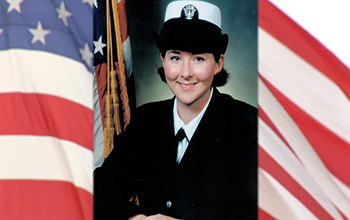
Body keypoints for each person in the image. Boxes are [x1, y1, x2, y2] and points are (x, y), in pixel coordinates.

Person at [94, 1, 257, 219]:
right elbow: (100, 190)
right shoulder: (145, 121)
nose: (186, 73)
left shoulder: (247, 127)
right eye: (176, 57)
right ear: (163, 59)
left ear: (218, 64)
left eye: (199, 58)